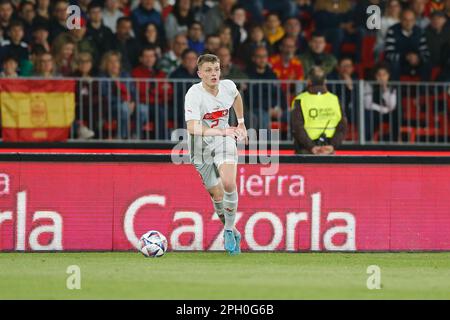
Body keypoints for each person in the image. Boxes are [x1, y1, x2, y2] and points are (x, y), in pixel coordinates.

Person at [184, 53, 246, 255]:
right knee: (216, 194)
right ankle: (233, 230)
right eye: (209, 70)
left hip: (223, 139)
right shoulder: (194, 94)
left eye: (217, 69)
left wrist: (242, 123)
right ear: (200, 73)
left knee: (229, 183)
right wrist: (220, 130)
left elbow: (236, 96)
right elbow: (193, 128)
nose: (214, 74)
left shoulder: (228, 86)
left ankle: (228, 229)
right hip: (200, 147)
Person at [291, 66, 347, 155]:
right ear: (325, 81)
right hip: (328, 149)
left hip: (306, 151)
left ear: (308, 81)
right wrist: (332, 146)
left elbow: (297, 128)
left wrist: (312, 147)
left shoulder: (299, 99)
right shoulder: (335, 99)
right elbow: (342, 127)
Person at [384, 9, 431, 80]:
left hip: (416, 64)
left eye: (411, 20)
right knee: (394, 64)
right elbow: (389, 54)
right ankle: (395, 90)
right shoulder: (392, 31)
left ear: (414, 21)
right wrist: (406, 57)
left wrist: (418, 58)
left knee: (427, 64)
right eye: (405, 20)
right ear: (400, 20)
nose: (408, 23)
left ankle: (424, 91)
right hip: (399, 64)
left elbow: (426, 54)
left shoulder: (420, 32)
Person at [363, 64, 398, 142]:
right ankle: (368, 140)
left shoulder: (392, 87)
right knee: (369, 115)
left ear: (388, 76)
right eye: (379, 75)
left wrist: (385, 90)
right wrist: (383, 109)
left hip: (387, 113)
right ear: (375, 76)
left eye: (384, 75)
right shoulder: (369, 85)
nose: (382, 77)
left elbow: (392, 106)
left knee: (396, 115)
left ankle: (394, 140)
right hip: (374, 112)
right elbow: (368, 104)